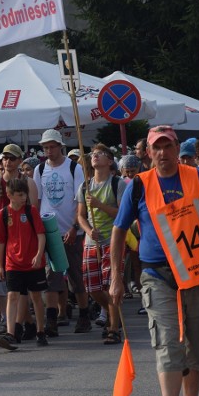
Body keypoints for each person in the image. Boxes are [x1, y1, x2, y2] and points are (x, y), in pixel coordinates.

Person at [110, 125, 199, 396]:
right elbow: (118, 230)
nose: (162, 153)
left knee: (198, 344)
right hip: (157, 275)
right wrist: (115, 276)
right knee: (167, 342)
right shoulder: (138, 185)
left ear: (177, 149)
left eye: (168, 146)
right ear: (148, 152)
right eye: (157, 147)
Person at [33, 129, 91, 336]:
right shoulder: (39, 170)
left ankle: (84, 314)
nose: (49, 151)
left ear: (60, 146)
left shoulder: (74, 168)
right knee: (51, 278)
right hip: (50, 231)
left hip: (71, 229)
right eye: (45, 147)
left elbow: (80, 201)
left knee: (76, 276)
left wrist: (75, 226)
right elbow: (38, 201)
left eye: (52, 147)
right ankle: (52, 319)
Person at [0, 144, 39, 338]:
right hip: (4, 240)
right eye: (5, 158)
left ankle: (20, 324)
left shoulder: (28, 182)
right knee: (12, 286)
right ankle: (24, 323)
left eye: (12, 158)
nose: (7, 162)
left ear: (19, 161)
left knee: (21, 286)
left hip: (24, 239)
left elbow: (34, 212)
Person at [76, 144, 125, 345]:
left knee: (110, 285)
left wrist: (100, 206)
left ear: (110, 161)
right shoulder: (85, 186)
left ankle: (113, 328)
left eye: (100, 154)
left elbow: (122, 213)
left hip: (112, 240)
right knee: (93, 288)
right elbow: (80, 216)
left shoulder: (117, 184)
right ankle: (115, 316)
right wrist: (88, 230)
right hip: (91, 242)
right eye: (93, 154)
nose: (95, 157)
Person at [0, 178, 48, 350]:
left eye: (24, 194)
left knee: (36, 297)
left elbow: (41, 234)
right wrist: (1, 265)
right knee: (12, 296)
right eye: (19, 194)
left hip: (33, 263)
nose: (23, 197)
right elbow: (0, 241)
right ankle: (11, 333)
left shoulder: (31, 211)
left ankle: (40, 331)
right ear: (9, 195)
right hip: (13, 263)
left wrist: (39, 254)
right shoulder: (2, 214)